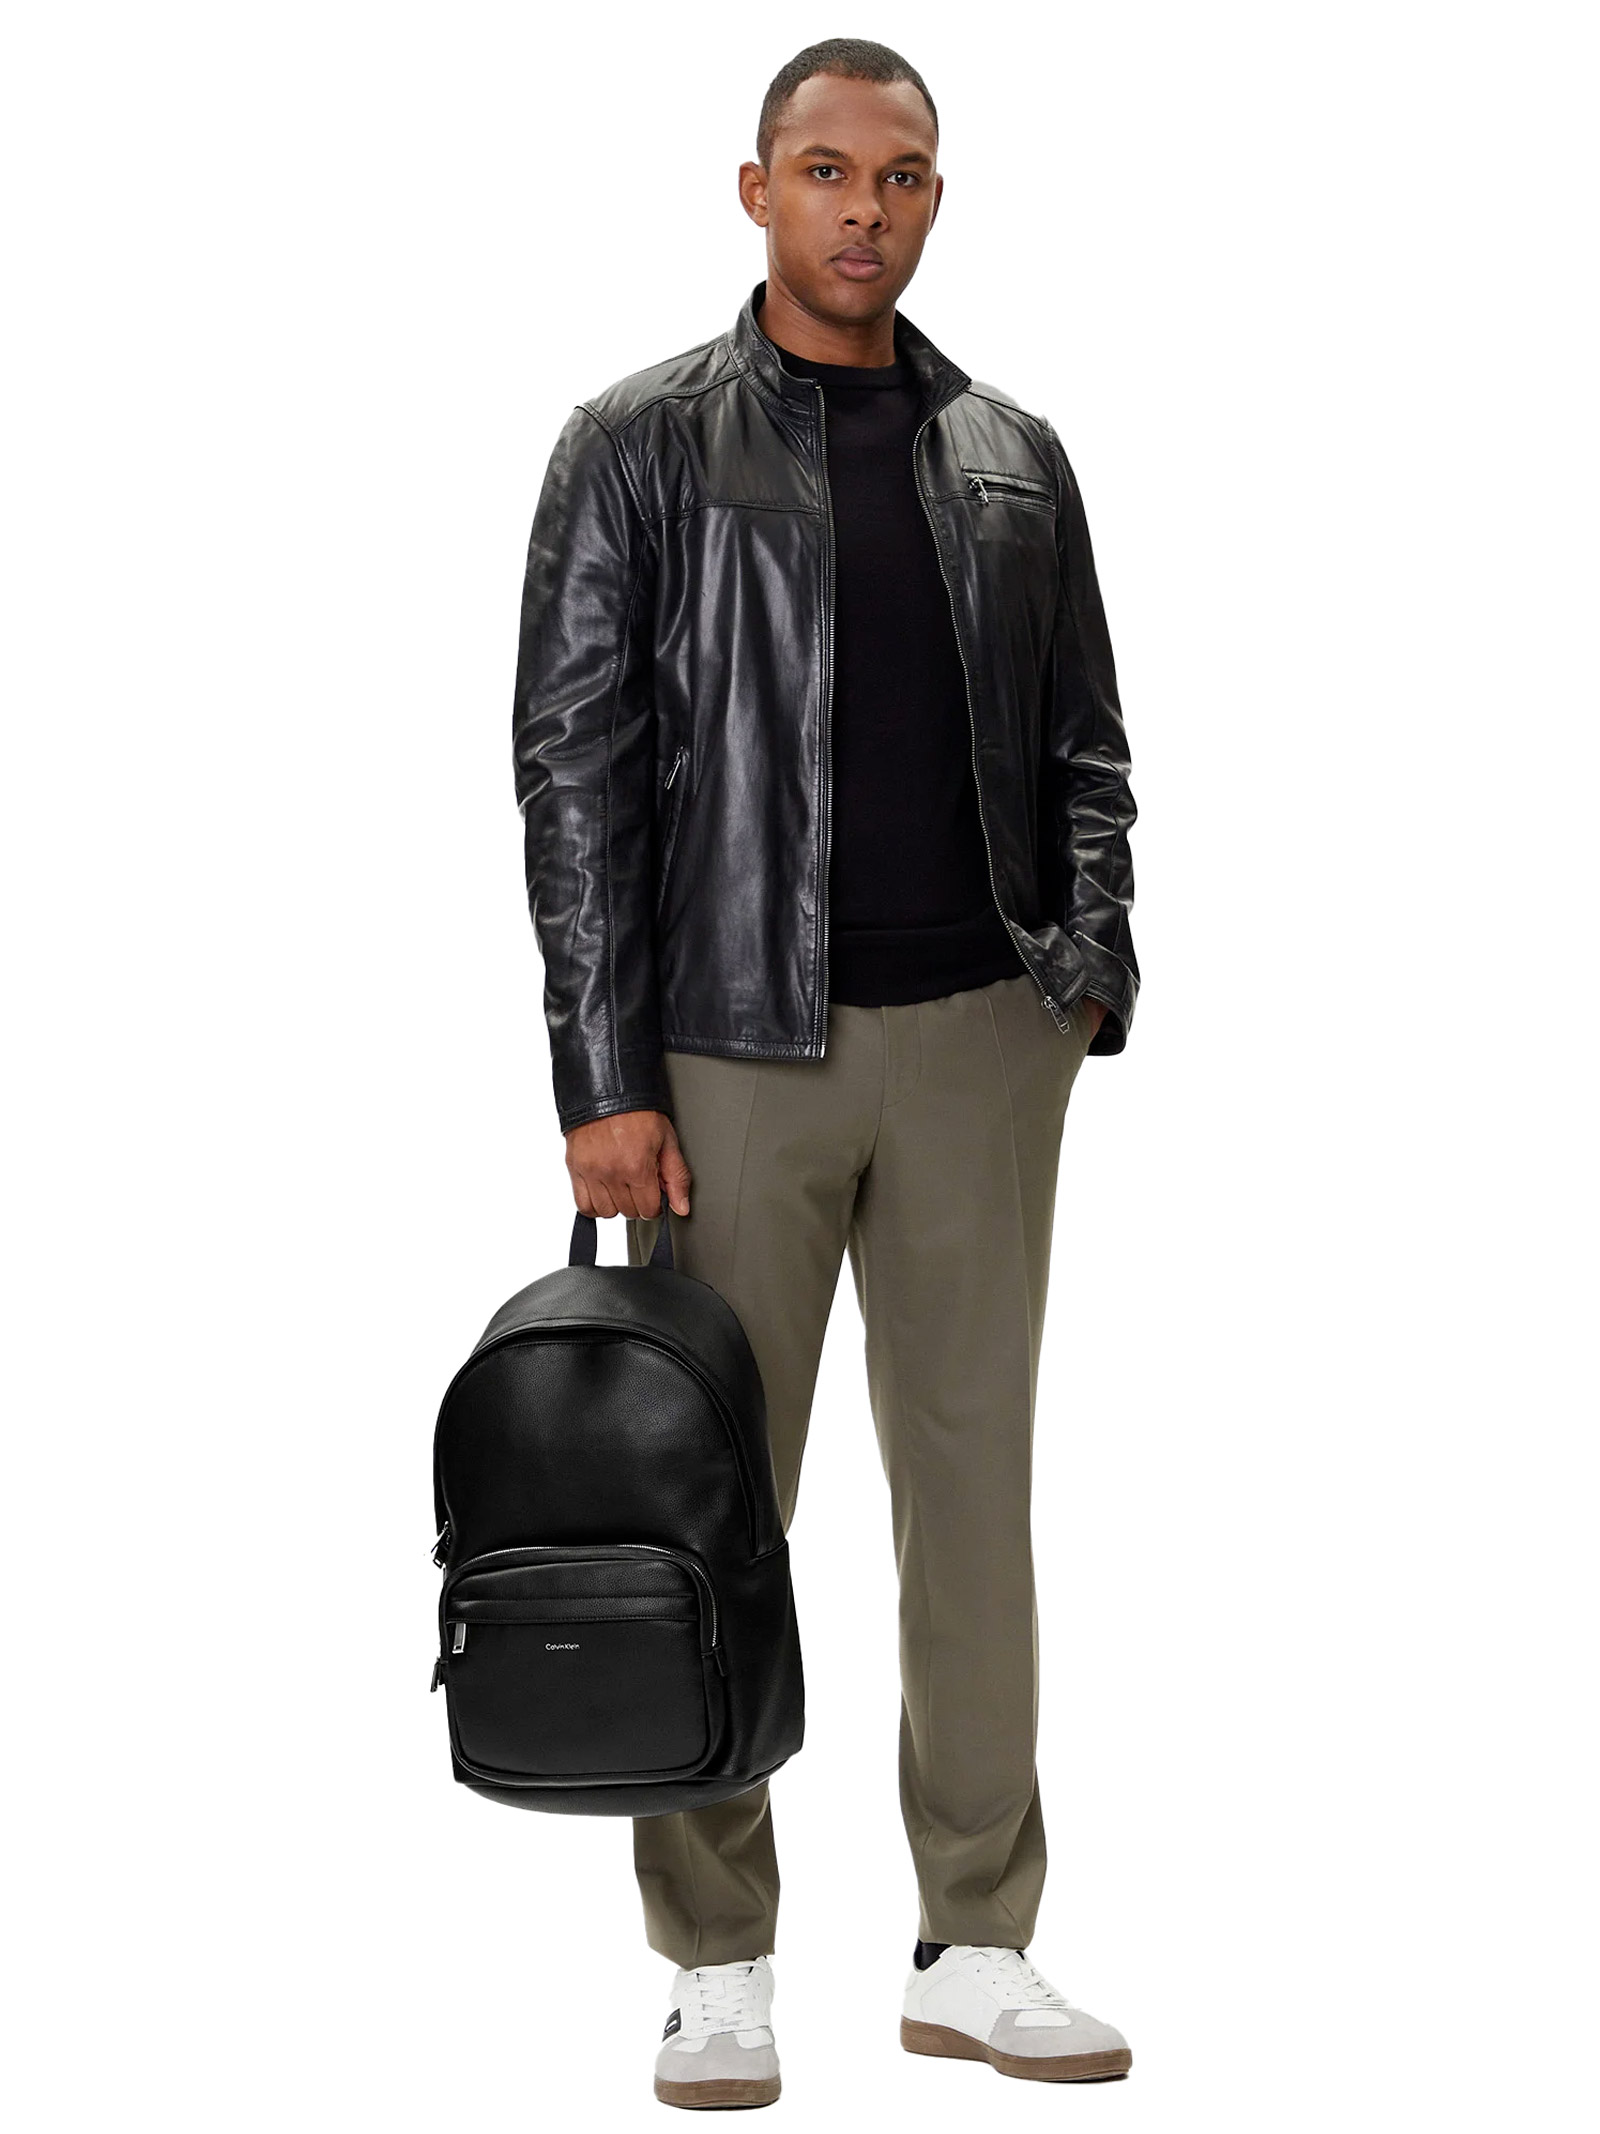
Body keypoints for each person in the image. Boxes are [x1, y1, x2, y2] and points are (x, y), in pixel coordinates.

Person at [512, 36, 1139, 2108]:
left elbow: (1086, 745)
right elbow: (572, 771)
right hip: (723, 1057)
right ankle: (715, 1954)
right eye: (825, 170)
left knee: (973, 1501)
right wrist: (602, 1072)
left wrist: (1085, 973)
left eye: (901, 175)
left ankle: (976, 1935)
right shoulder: (635, 445)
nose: (864, 207)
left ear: (934, 197)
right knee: (708, 1502)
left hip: (981, 1048)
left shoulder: (1010, 456)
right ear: (756, 188)